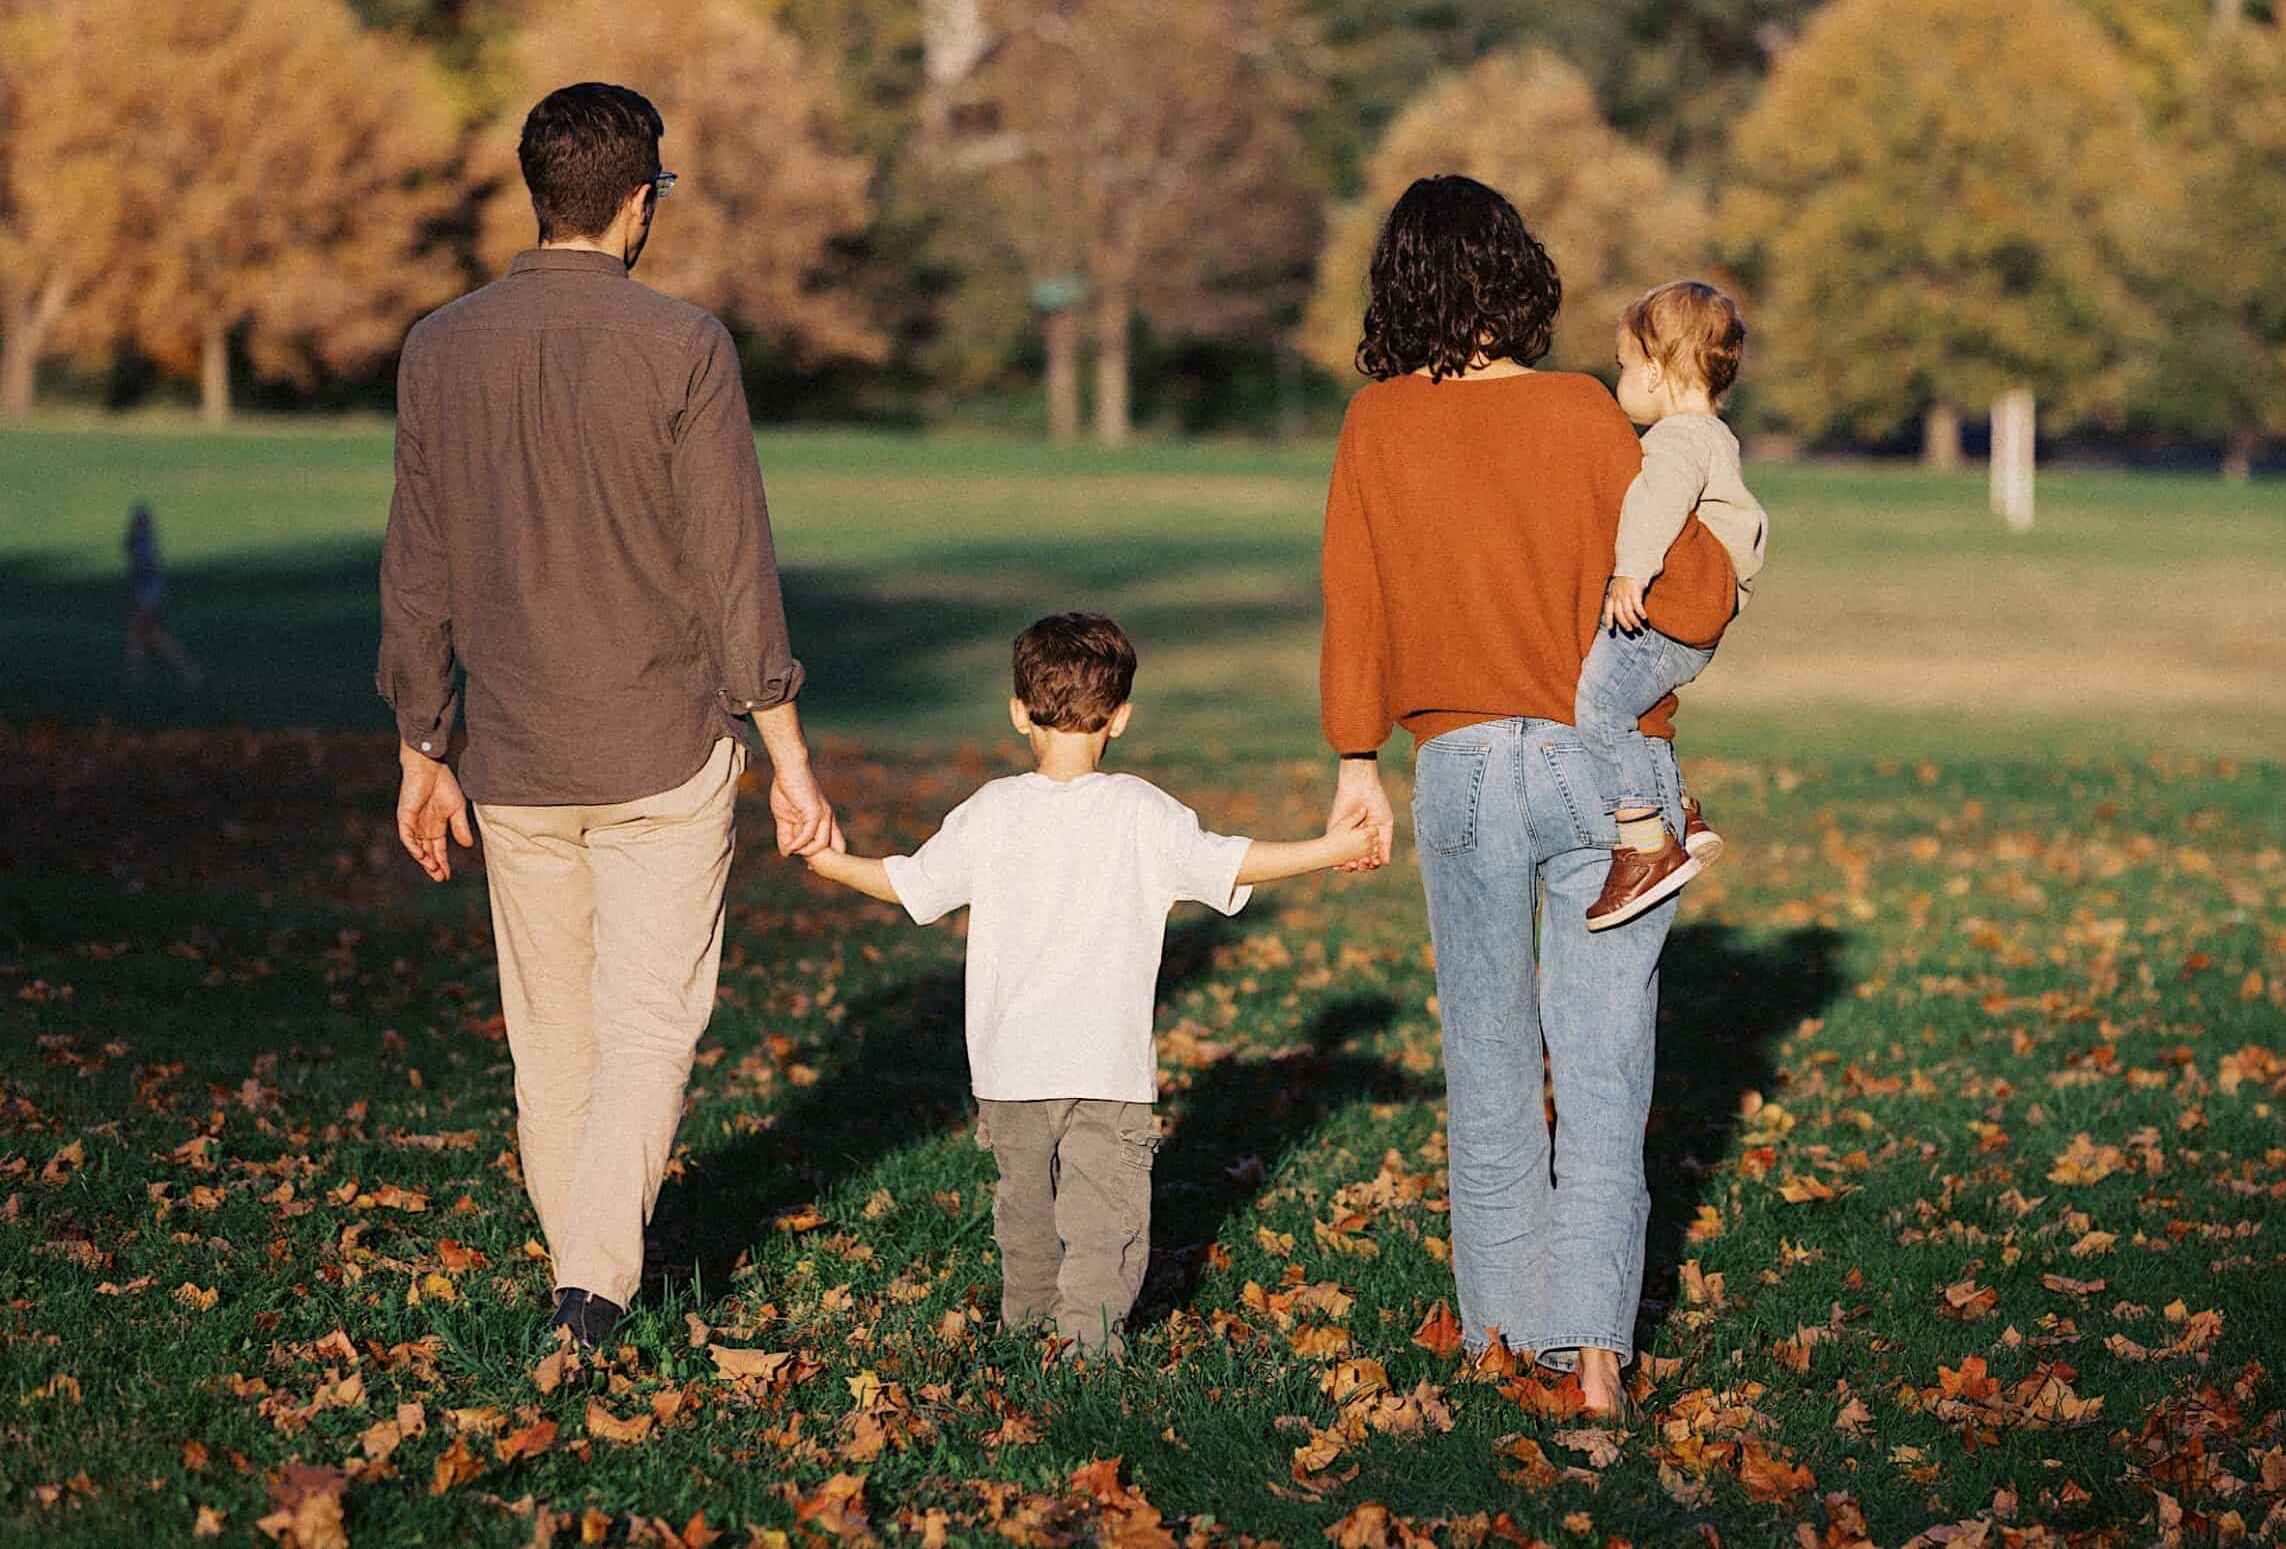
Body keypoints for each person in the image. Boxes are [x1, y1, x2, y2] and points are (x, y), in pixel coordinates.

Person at [377, 82, 839, 1351]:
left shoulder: (438, 345)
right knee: (647, 1029)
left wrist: (421, 746)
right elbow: (733, 567)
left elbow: (415, 570)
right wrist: (789, 759)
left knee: (554, 1042)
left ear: (541, 194)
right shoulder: (683, 344)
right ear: (639, 202)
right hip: (661, 746)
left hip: (512, 756)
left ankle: (584, 1272)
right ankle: (591, 1290)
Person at [1318, 175, 1737, 1418]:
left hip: (1455, 774)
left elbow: (1359, 608)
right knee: (1604, 1069)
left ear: (1397, 286)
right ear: (1519, 277)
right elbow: (1696, 594)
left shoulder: (1373, 427)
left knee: (1487, 1058)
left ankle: (1502, 1344)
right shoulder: (1585, 417)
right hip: (1604, 777)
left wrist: (1356, 762)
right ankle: (1597, 1360)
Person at [803, 613, 1379, 1355]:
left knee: (1027, 1216)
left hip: (1009, 1071)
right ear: (1122, 718)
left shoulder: (991, 811)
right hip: (1107, 1073)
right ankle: (1086, 1351)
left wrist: (829, 863)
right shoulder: (1142, 811)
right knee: (1104, 1221)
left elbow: (909, 884)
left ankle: (1027, 1332)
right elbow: (1233, 863)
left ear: (1018, 712)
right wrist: (1333, 846)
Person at [1575, 280, 1770, 931]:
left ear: (1657, 372)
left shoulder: (1679, 439)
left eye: (1625, 365)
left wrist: (1630, 571)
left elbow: (1657, 502)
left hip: (1675, 613)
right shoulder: (1714, 433)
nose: (1620, 378)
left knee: (1600, 703)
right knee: (1639, 707)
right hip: (1702, 622)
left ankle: (1644, 843)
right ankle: (1678, 808)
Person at [122, 503, 203, 690]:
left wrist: (142, 600)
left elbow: (142, 571)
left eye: (136, 522)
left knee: (151, 638)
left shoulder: (143, 544)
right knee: (142, 637)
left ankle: (188, 672)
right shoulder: (143, 541)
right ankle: (136, 675)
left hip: (147, 599)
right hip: (148, 598)